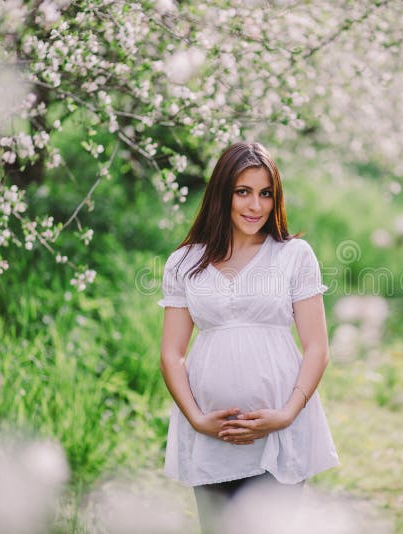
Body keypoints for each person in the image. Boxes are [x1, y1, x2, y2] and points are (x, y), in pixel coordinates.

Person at [157, 141, 339, 533]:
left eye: (265, 194)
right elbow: (172, 355)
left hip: (280, 426)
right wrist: (197, 419)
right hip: (211, 431)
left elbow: (317, 348)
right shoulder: (186, 262)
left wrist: (288, 413)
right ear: (222, 194)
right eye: (243, 192)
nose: (255, 206)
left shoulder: (294, 256)